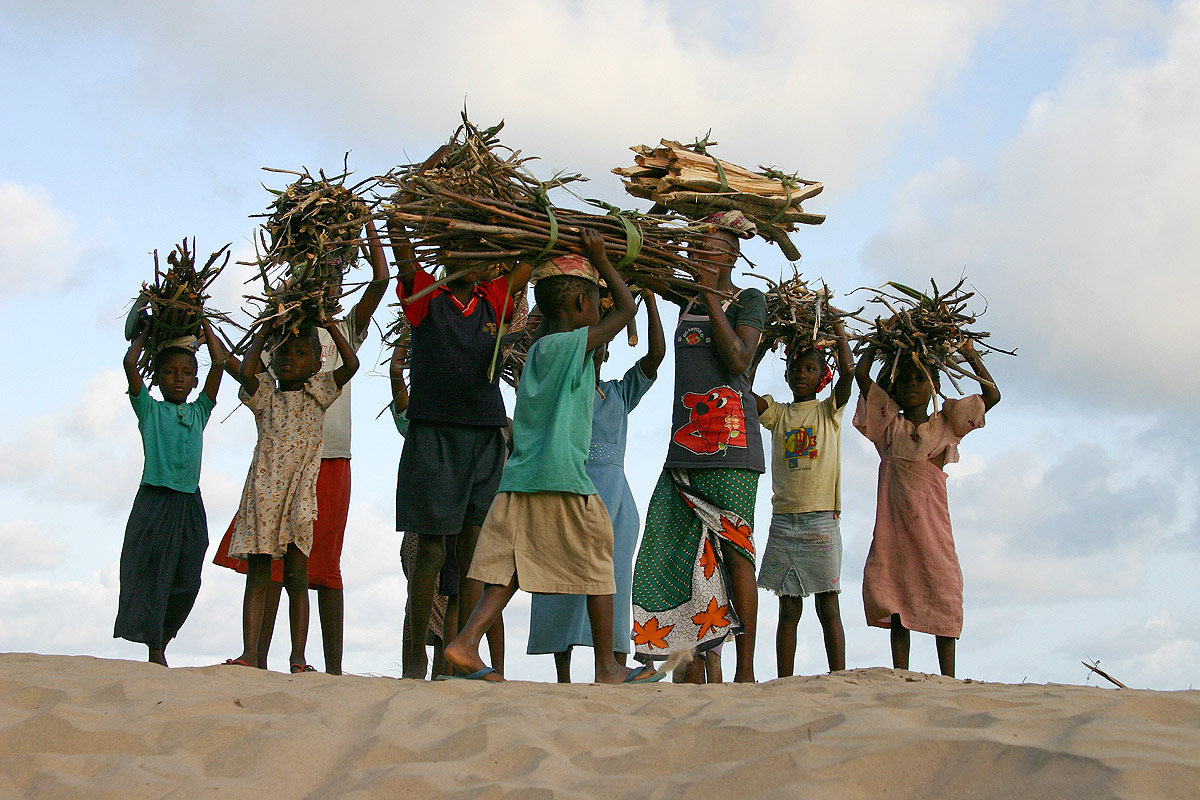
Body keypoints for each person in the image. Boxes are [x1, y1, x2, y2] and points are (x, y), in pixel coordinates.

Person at [443, 229, 662, 684]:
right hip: (562, 477)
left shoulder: (545, 351)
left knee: (511, 567)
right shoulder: (563, 348)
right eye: (592, 303)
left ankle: (465, 643)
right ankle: (607, 667)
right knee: (601, 561)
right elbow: (623, 312)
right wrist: (602, 260)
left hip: (524, 477)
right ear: (582, 307)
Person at [211, 219, 390, 674]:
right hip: (271, 471)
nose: (326, 284)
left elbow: (381, 280)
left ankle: (327, 668)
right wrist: (272, 316)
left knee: (322, 567)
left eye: (334, 276)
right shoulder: (282, 332)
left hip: (328, 461)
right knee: (267, 566)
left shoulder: (343, 327)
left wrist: (363, 223)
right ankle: (258, 655)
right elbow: (247, 369)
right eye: (317, 275)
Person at [388, 206, 531, 680]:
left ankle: (459, 658)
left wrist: (520, 221)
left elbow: (532, 251)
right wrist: (406, 202)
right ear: (445, 254)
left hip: (485, 435)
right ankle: (414, 661)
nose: (471, 259)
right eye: (461, 249)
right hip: (434, 434)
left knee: (473, 551)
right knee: (431, 548)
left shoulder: (495, 298)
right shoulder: (427, 295)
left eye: (481, 250)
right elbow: (399, 238)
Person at [631, 210, 766, 683]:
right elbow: (640, 259)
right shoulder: (685, 299)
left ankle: (744, 671)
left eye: (709, 246)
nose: (697, 253)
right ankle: (686, 666)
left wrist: (711, 293)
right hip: (684, 451)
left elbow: (738, 360)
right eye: (694, 246)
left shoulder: (749, 300)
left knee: (735, 556)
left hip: (732, 449)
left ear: (732, 253)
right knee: (672, 553)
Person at [526, 289, 665, 682]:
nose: (598, 351)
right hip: (573, 485)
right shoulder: (564, 385)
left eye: (604, 346)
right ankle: (564, 674)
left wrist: (649, 302)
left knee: (615, 579)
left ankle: (614, 663)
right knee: (562, 576)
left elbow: (655, 357)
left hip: (616, 499)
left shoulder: (619, 393)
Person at [853, 338, 1000, 677]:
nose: (911, 386)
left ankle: (947, 676)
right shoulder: (888, 424)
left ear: (933, 384)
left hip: (932, 530)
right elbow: (862, 375)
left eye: (919, 379)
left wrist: (968, 353)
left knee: (942, 588)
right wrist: (876, 343)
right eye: (903, 379)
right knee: (895, 591)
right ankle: (900, 674)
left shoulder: (946, 423)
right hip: (894, 530)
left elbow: (992, 396)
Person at [222, 321, 360, 672]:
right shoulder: (264, 393)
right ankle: (250, 653)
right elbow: (244, 370)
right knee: (259, 574)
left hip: (298, 496)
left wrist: (328, 324)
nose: (289, 359)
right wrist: (264, 333)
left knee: (297, 576)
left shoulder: (319, 393)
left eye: (300, 354)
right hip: (263, 495)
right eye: (283, 352)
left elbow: (352, 366)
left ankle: (298, 657)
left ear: (316, 365)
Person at [389, 338, 504, 678]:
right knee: (430, 557)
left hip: (476, 447)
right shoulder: (424, 422)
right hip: (434, 495)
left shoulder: (492, 429)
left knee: (467, 572)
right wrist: (398, 373)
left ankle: (460, 658)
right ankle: (416, 660)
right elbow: (402, 409)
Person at [116, 317, 226, 666]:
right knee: (149, 570)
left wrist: (204, 327)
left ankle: (163, 636)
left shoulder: (199, 412)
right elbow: (130, 364)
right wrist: (147, 333)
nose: (178, 378)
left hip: (189, 501)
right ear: (157, 377)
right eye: (169, 372)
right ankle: (154, 648)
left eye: (185, 373)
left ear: (195, 381)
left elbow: (220, 364)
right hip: (154, 499)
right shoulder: (148, 409)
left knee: (188, 575)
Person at [751, 320, 853, 676]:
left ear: (823, 375)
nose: (801, 374)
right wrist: (761, 349)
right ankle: (784, 680)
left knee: (828, 605)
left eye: (810, 368)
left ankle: (838, 676)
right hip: (784, 521)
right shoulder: (779, 413)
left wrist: (839, 333)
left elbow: (849, 377)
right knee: (788, 610)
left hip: (821, 519)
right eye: (795, 367)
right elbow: (742, 392)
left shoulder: (829, 411)